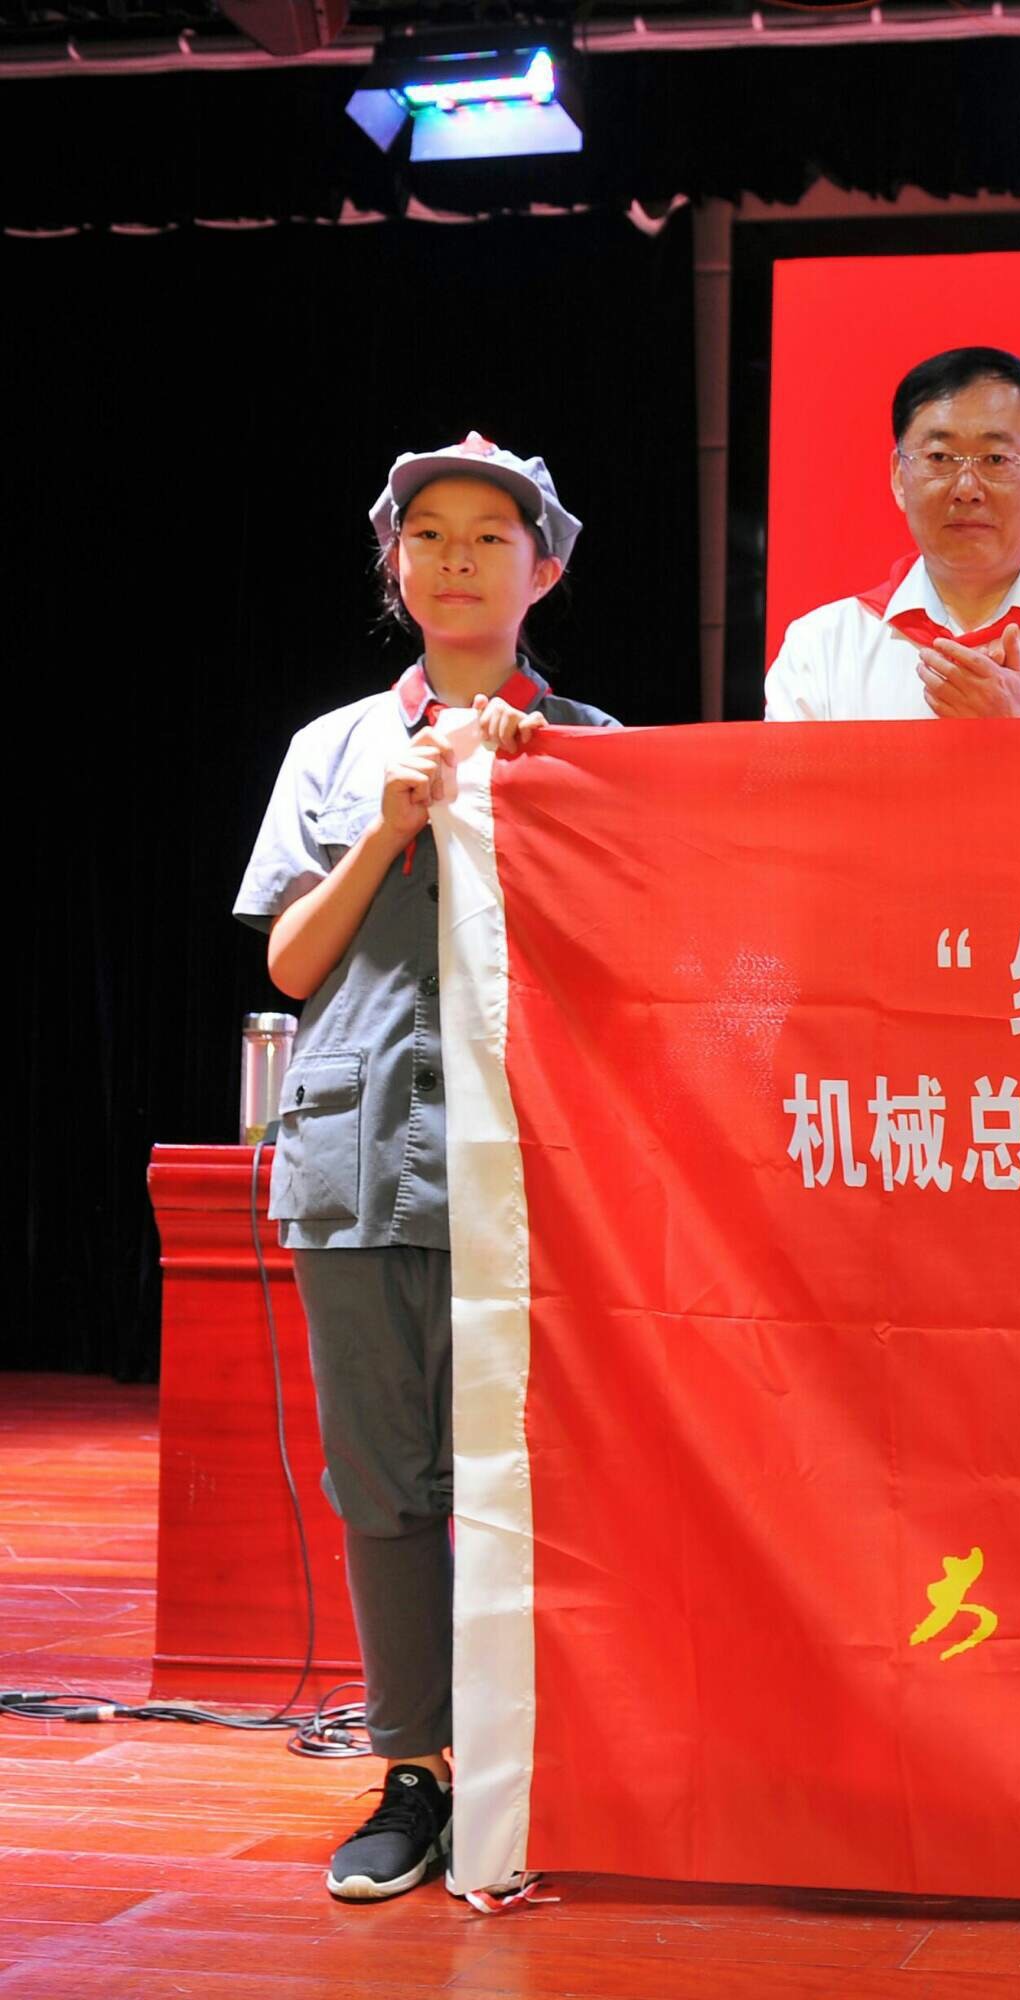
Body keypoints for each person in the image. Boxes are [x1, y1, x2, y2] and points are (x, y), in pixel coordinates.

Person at [236, 435, 617, 1901]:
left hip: (540, 1173)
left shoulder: (590, 745)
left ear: (545, 571)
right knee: (385, 1484)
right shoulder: (332, 750)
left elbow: (635, 965)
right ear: (395, 564)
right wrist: (391, 825)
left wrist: (546, 801)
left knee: (546, 1479)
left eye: (490, 537)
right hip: (358, 1160)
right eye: (430, 534)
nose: (457, 559)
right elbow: (290, 959)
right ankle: (416, 1772)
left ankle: (544, 1761)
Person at [766, 346, 1020, 721]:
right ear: (898, 476)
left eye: (996, 459)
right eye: (940, 457)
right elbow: (790, 789)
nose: (967, 488)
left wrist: (1014, 739)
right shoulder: (821, 649)